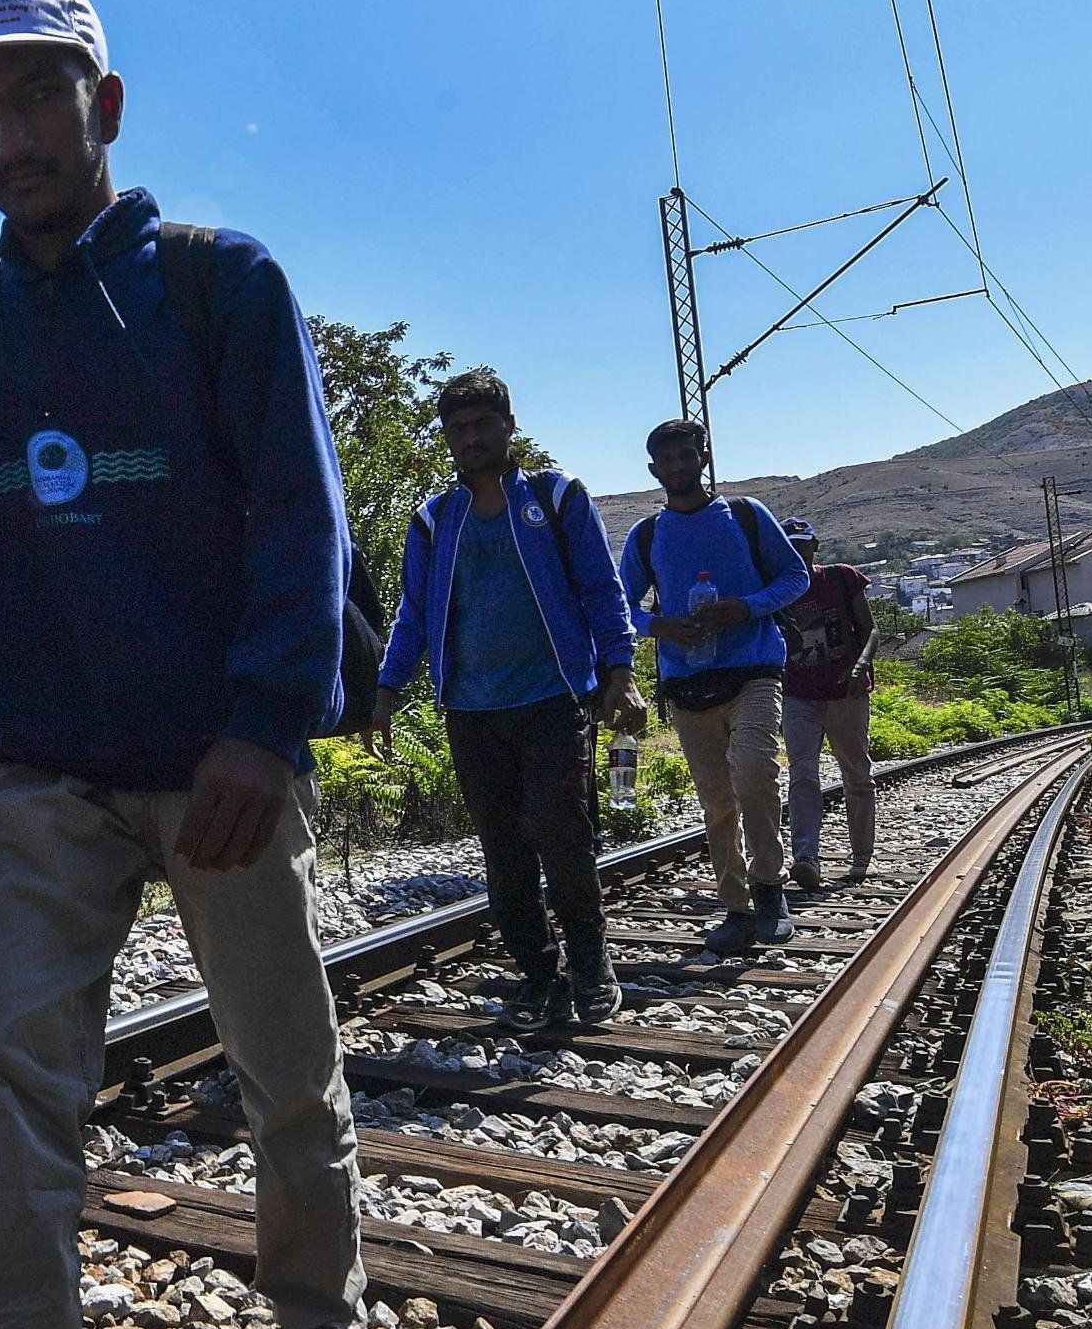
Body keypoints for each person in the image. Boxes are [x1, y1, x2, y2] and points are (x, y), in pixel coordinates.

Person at [0, 0, 374, 1329]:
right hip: (37, 776)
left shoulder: (217, 284)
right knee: (6, 1084)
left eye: (38, 98)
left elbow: (301, 515)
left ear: (103, 107)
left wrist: (266, 724)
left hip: (215, 766)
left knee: (281, 1060)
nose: (9, 136)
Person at [370, 369, 644, 1032]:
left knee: (562, 834)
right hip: (471, 709)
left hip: (552, 697)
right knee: (502, 850)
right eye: (457, 429)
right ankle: (537, 972)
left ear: (509, 427)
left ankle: (591, 963)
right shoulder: (435, 520)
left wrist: (620, 671)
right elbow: (413, 613)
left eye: (482, 425)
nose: (470, 438)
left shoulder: (556, 497)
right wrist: (385, 689)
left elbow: (601, 590)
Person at [617, 419, 811, 954]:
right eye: (667, 459)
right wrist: (659, 626)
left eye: (687, 455)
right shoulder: (647, 535)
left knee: (754, 773)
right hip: (687, 680)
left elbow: (795, 577)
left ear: (703, 458)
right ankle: (736, 907)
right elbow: (619, 606)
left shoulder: (746, 515)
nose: (678, 466)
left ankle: (769, 888)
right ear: (654, 469)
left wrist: (746, 608)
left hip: (754, 667)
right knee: (717, 799)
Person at [777, 519, 876, 891]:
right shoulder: (776, 592)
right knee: (802, 774)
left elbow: (870, 629)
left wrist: (861, 665)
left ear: (814, 545)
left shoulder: (841, 578)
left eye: (801, 544)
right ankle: (806, 858)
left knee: (856, 774)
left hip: (846, 694)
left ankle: (861, 857)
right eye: (788, 545)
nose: (795, 551)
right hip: (798, 695)